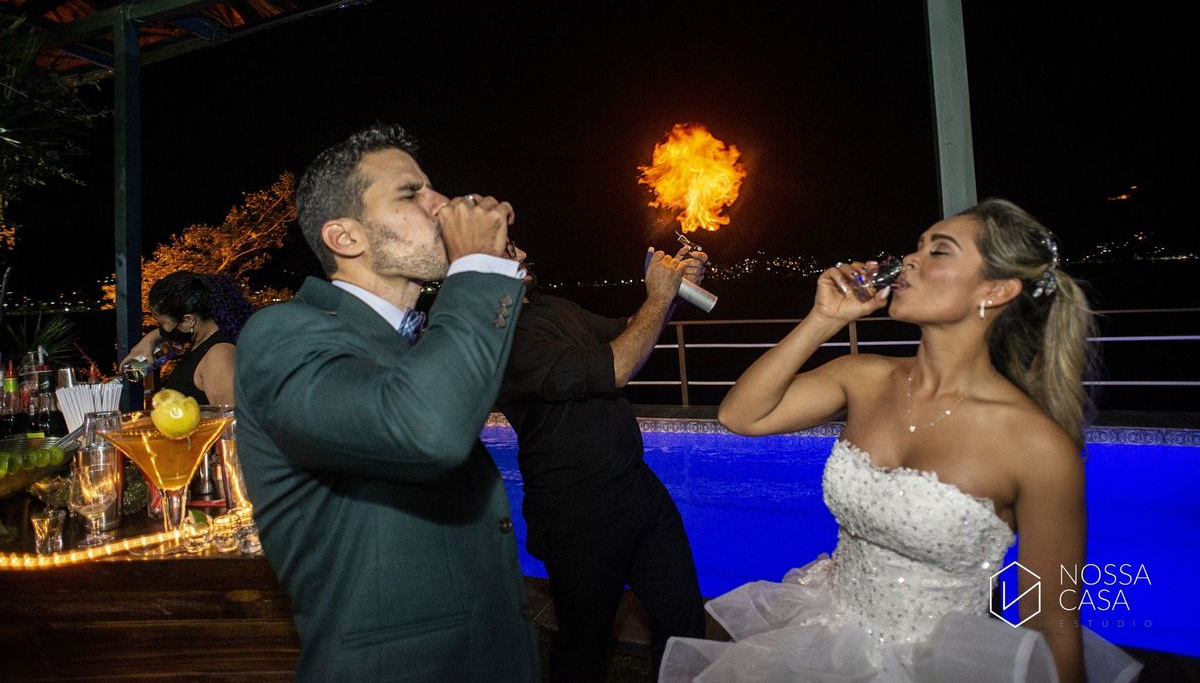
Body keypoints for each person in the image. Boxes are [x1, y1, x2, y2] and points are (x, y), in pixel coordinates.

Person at [659, 198, 1143, 683]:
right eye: (917, 246)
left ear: (996, 290)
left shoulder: (1036, 446)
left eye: (939, 251)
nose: (910, 259)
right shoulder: (864, 377)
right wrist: (825, 319)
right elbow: (741, 415)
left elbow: (1051, 620)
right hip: (821, 641)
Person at [233, 124, 539, 683]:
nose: (442, 204)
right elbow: (425, 430)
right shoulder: (281, 333)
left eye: (432, 188)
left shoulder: (416, 341)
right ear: (345, 238)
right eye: (411, 193)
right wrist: (477, 269)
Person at [497, 239, 708, 683]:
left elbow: (629, 331)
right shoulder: (499, 336)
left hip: (636, 487)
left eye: (516, 246)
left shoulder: (551, 306)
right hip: (577, 510)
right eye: (507, 250)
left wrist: (673, 293)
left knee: (683, 618)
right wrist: (659, 294)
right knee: (583, 646)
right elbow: (617, 366)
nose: (523, 254)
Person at [120, 271, 253, 406]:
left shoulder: (219, 355)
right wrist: (149, 340)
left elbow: (231, 416)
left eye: (163, 322)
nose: (163, 328)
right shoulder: (201, 342)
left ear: (189, 320)